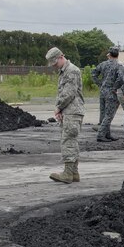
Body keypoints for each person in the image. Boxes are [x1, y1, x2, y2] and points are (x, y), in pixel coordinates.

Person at [46, 47, 84, 183]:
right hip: (70, 111)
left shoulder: (71, 71)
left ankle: (68, 173)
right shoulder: (65, 71)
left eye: (55, 64)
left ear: (61, 57)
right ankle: (74, 173)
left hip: (72, 111)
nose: (55, 67)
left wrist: (58, 107)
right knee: (71, 141)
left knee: (68, 141)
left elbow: (68, 93)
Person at [96, 47, 122, 142]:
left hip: (103, 91)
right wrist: (115, 87)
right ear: (117, 55)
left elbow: (94, 73)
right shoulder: (119, 65)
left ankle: (107, 134)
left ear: (109, 55)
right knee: (109, 115)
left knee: (103, 114)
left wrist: (99, 83)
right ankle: (101, 134)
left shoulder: (103, 64)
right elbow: (121, 79)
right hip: (111, 92)